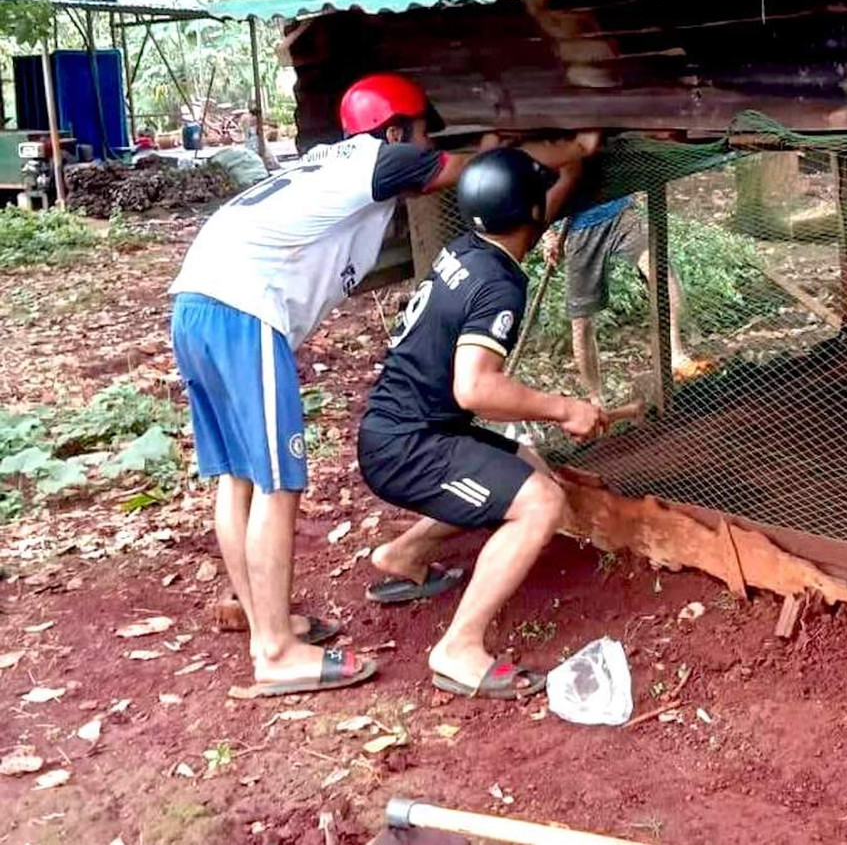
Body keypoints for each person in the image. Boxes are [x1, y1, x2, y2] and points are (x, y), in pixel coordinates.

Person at [169, 72, 593, 697]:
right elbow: (489, 169)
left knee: (238, 477)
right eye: (423, 131)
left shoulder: (331, 163)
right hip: (241, 305)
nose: (427, 144)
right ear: (396, 132)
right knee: (278, 484)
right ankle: (276, 650)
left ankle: (268, 623)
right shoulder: (382, 159)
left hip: (197, 298)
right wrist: (577, 149)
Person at [358, 148, 606, 700]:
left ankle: (406, 555)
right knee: (541, 502)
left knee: (527, 467)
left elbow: (535, 204)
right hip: (409, 448)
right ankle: (460, 648)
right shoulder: (500, 286)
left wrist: (582, 149)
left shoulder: (468, 247)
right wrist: (565, 408)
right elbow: (476, 389)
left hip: (400, 427)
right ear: (531, 215)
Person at [541, 195, 706, 404]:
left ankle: (676, 355)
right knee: (581, 323)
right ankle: (596, 400)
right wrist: (549, 235)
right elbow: (528, 190)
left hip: (618, 212)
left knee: (659, 270)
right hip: (576, 230)